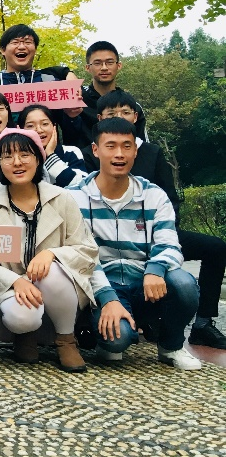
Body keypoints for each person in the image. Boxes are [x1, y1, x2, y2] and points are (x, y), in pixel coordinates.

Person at [67, 118, 202, 370]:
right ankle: (109, 336)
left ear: (135, 151)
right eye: (111, 146)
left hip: (145, 283)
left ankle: (171, 346)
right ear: (95, 150)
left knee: (184, 284)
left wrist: (155, 270)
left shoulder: (154, 195)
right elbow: (82, 255)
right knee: (117, 340)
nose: (119, 154)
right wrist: (108, 298)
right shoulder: (74, 197)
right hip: (103, 283)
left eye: (126, 146)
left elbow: (170, 244)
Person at [95, 90, 226, 350]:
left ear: (136, 116)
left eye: (125, 112)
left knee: (210, 253)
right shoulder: (92, 158)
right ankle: (133, 320)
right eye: (112, 113)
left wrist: (159, 236)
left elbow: (169, 198)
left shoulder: (151, 153)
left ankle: (199, 324)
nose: (119, 154)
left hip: (153, 231)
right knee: (118, 339)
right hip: (109, 241)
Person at [0, 129, 98, 372]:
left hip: (57, 284)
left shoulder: (62, 198)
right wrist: (15, 281)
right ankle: (25, 335)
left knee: (52, 271)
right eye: (8, 157)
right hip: (11, 287)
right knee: (22, 318)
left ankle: (66, 339)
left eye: (25, 154)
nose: (17, 162)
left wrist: (52, 254)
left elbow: (86, 248)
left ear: (38, 159)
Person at [0, 24, 86, 138]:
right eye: (15, 42)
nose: (21, 47)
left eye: (28, 42)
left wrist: (72, 117)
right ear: (3, 50)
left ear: (35, 49)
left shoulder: (51, 83)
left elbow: (72, 133)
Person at [18, 104, 88, 188]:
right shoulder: (17, 157)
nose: (39, 130)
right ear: (20, 130)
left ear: (54, 127)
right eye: (30, 126)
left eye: (45, 124)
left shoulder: (70, 152)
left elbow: (82, 185)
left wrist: (50, 155)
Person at [75, 40, 125, 145]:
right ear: (88, 68)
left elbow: (142, 145)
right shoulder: (77, 99)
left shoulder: (129, 105)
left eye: (110, 62)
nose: (104, 68)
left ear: (119, 65)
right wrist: (67, 73)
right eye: (97, 63)